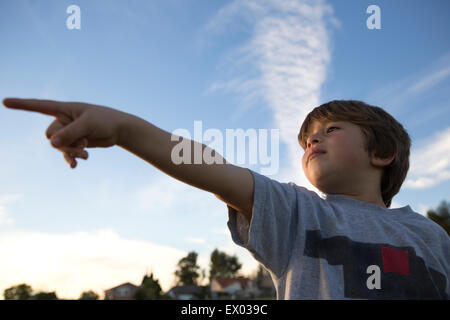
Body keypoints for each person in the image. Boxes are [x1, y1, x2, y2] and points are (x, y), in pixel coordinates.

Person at [2, 98, 449, 299]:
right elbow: (211, 166)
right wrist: (124, 130)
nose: (313, 140)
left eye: (331, 130)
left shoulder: (431, 235)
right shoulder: (298, 213)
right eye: (306, 139)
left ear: (383, 153)